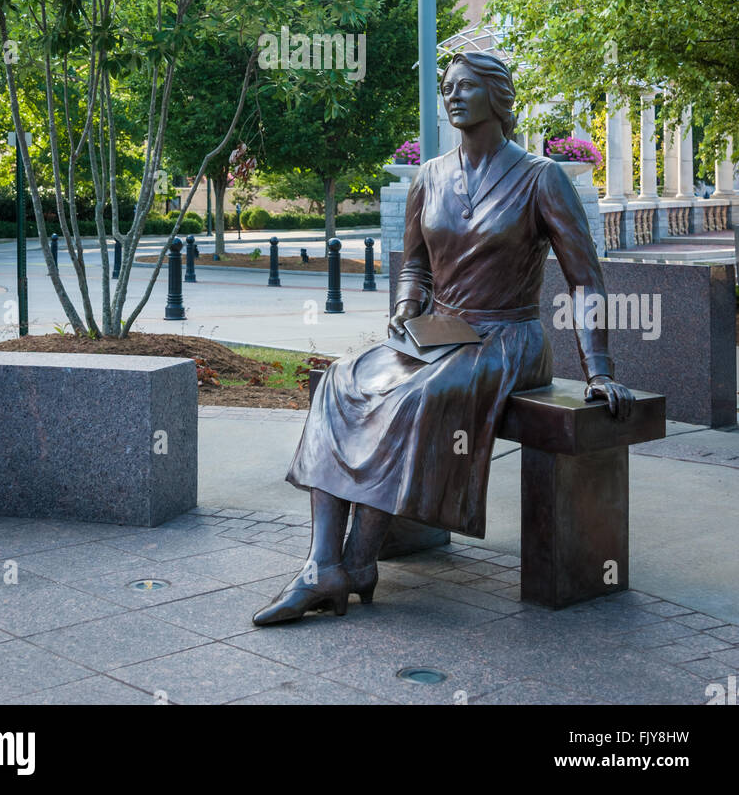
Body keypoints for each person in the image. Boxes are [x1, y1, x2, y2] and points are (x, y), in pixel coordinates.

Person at [252, 51, 633, 626]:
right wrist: (405, 311)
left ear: (498, 97)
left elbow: (587, 281)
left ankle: (356, 563)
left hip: (506, 338)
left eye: (466, 87)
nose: (452, 96)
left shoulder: (540, 177)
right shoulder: (429, 176)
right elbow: (414, 267)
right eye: (447, 88)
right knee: (340, 381)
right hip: (436, 331)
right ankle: (323, 564)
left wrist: (598, 368)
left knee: (412, 398)